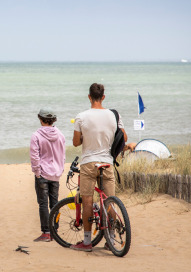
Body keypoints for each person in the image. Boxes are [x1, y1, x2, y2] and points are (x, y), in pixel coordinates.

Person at [70, 83, 127, 252]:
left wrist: (85, 137)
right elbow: (124, 136)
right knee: (110, 200)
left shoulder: (81, 117)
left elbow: (75, 142)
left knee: (87, 199)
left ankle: (87, 242)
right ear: (103, 97)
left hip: (89, 162)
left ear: (89, 97)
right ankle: (110, 240)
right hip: (107, 162)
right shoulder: (113, 115)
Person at [30, 108, 66, 242]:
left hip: (43, 174)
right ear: (53, 120)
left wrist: (37, 173)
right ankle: (54, 231)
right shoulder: (60, 134)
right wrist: (60, 170)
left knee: (43, 203)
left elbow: (35, 157)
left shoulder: (36, 136)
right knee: (54, 203)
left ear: (40, 119)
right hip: (55, 173)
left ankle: (46, 232)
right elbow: (63, 155)